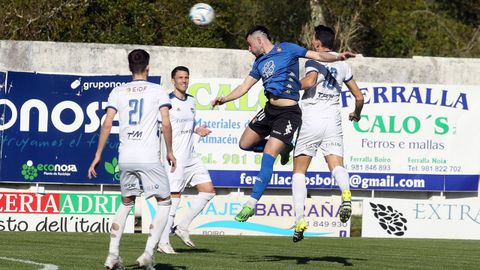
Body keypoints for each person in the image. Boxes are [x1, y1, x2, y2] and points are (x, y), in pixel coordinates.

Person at [211, 25, 355, 222]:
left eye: (249, 44)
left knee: (268, 156)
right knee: (244, 144)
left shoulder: (287, 49)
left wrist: (338, 57)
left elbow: (318, 56)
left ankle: (251, 203)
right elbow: (244, 86)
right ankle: (285, 146)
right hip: (269, 110)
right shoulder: (259, 62)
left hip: (288, 114)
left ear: (259, 40)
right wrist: (224, 99)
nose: (249, 49)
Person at [87, 49, 176, 270]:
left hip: (125, 157)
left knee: (126, 202)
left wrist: (97, 155)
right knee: (165, 201)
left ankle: (112, 255)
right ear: (148, 67)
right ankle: (148, 254)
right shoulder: (158, 90)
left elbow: (107, 124)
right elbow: (165, 123)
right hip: (148, 156)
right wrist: (170, 151)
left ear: (129, 68)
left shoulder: (118, 91)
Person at [291, 25, 364, 242]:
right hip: (333, 121)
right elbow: (359, 98)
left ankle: (300, 220)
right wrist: (356, 114)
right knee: (337, 165)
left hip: (312, 119)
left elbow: (310, 81)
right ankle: (346, 194)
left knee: (299, 172)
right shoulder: (343, 64)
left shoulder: (314, 60)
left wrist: (288, 85)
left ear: (316, 42)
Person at [157, 66, 215, 254]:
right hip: (175, 158)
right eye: (180, 77)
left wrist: (198, 130)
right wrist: (169, 152)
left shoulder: (191, 100)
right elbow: (164, 128)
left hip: (191, 156)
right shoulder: (166, 102)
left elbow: (187, 126)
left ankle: (182, 226)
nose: (184, 80)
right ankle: (163, 242)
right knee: (173, 199)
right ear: (173, 80)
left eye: (186, 77)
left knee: (208, 191)